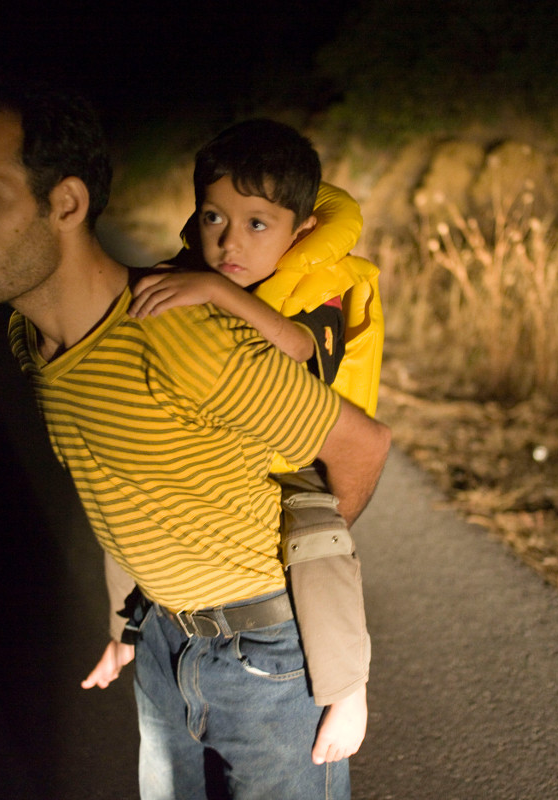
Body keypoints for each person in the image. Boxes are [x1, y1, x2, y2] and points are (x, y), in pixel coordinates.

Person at [0, 88, 391, 799]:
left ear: (67, 203)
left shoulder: (186, 335)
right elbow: (122, 487)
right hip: (161, 644)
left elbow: (359, 446)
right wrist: (129, 625)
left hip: (266, 660)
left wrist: (305, 557)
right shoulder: (33, 343)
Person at [126, 118, 384, 764]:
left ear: (298, 234)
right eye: (214, 219)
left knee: (313, 533)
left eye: (256, 225)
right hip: (221, 462)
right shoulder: (199, 270)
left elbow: (295, 345)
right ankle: (127, 619)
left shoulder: (312, 291)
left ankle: (348, 687)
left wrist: (214, 290)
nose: (228, 243)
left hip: (293, 463)